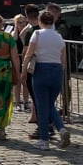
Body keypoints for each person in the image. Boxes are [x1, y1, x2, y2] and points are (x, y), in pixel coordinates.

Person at [23, 11, 71, 150]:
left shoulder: (37, 34)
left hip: (41, 69)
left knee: (42, 106)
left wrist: (23, 71)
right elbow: (63, 59)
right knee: (50, 105)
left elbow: (28, 54)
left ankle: (44, 139)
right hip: (56, 71)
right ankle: (61, 128)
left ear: (40, 21)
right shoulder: (58, 37)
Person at [12, 14, 31, 112]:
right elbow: (14, 39)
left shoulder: (27, 32)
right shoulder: (13, 32)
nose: (22, 24)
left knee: (25, 81)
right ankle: (18, 102)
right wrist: (16, 28)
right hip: (16, 58)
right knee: (17, 82)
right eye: (19, 22)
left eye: (24, 22)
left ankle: (26, 102)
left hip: (25, 58)